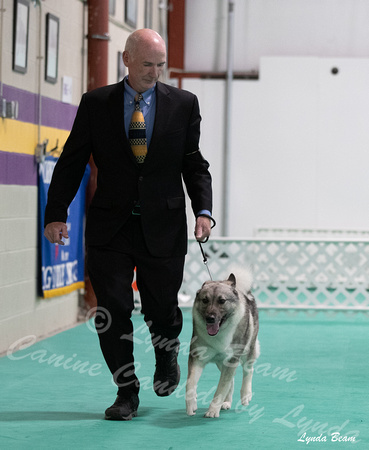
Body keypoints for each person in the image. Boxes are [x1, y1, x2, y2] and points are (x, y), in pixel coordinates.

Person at [44, 28, 214, 421]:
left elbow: (194, 163)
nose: (154, 72)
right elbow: (72, 161)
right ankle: (126, 391)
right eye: (146, 64)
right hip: (111, 226)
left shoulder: (184, 104)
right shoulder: (96, 103)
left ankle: (165, 356)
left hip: (164, 224)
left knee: (162, 309)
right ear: (126, 59)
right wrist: (56, 213)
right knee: (112, 309)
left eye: (160, 65)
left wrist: (203, 210)